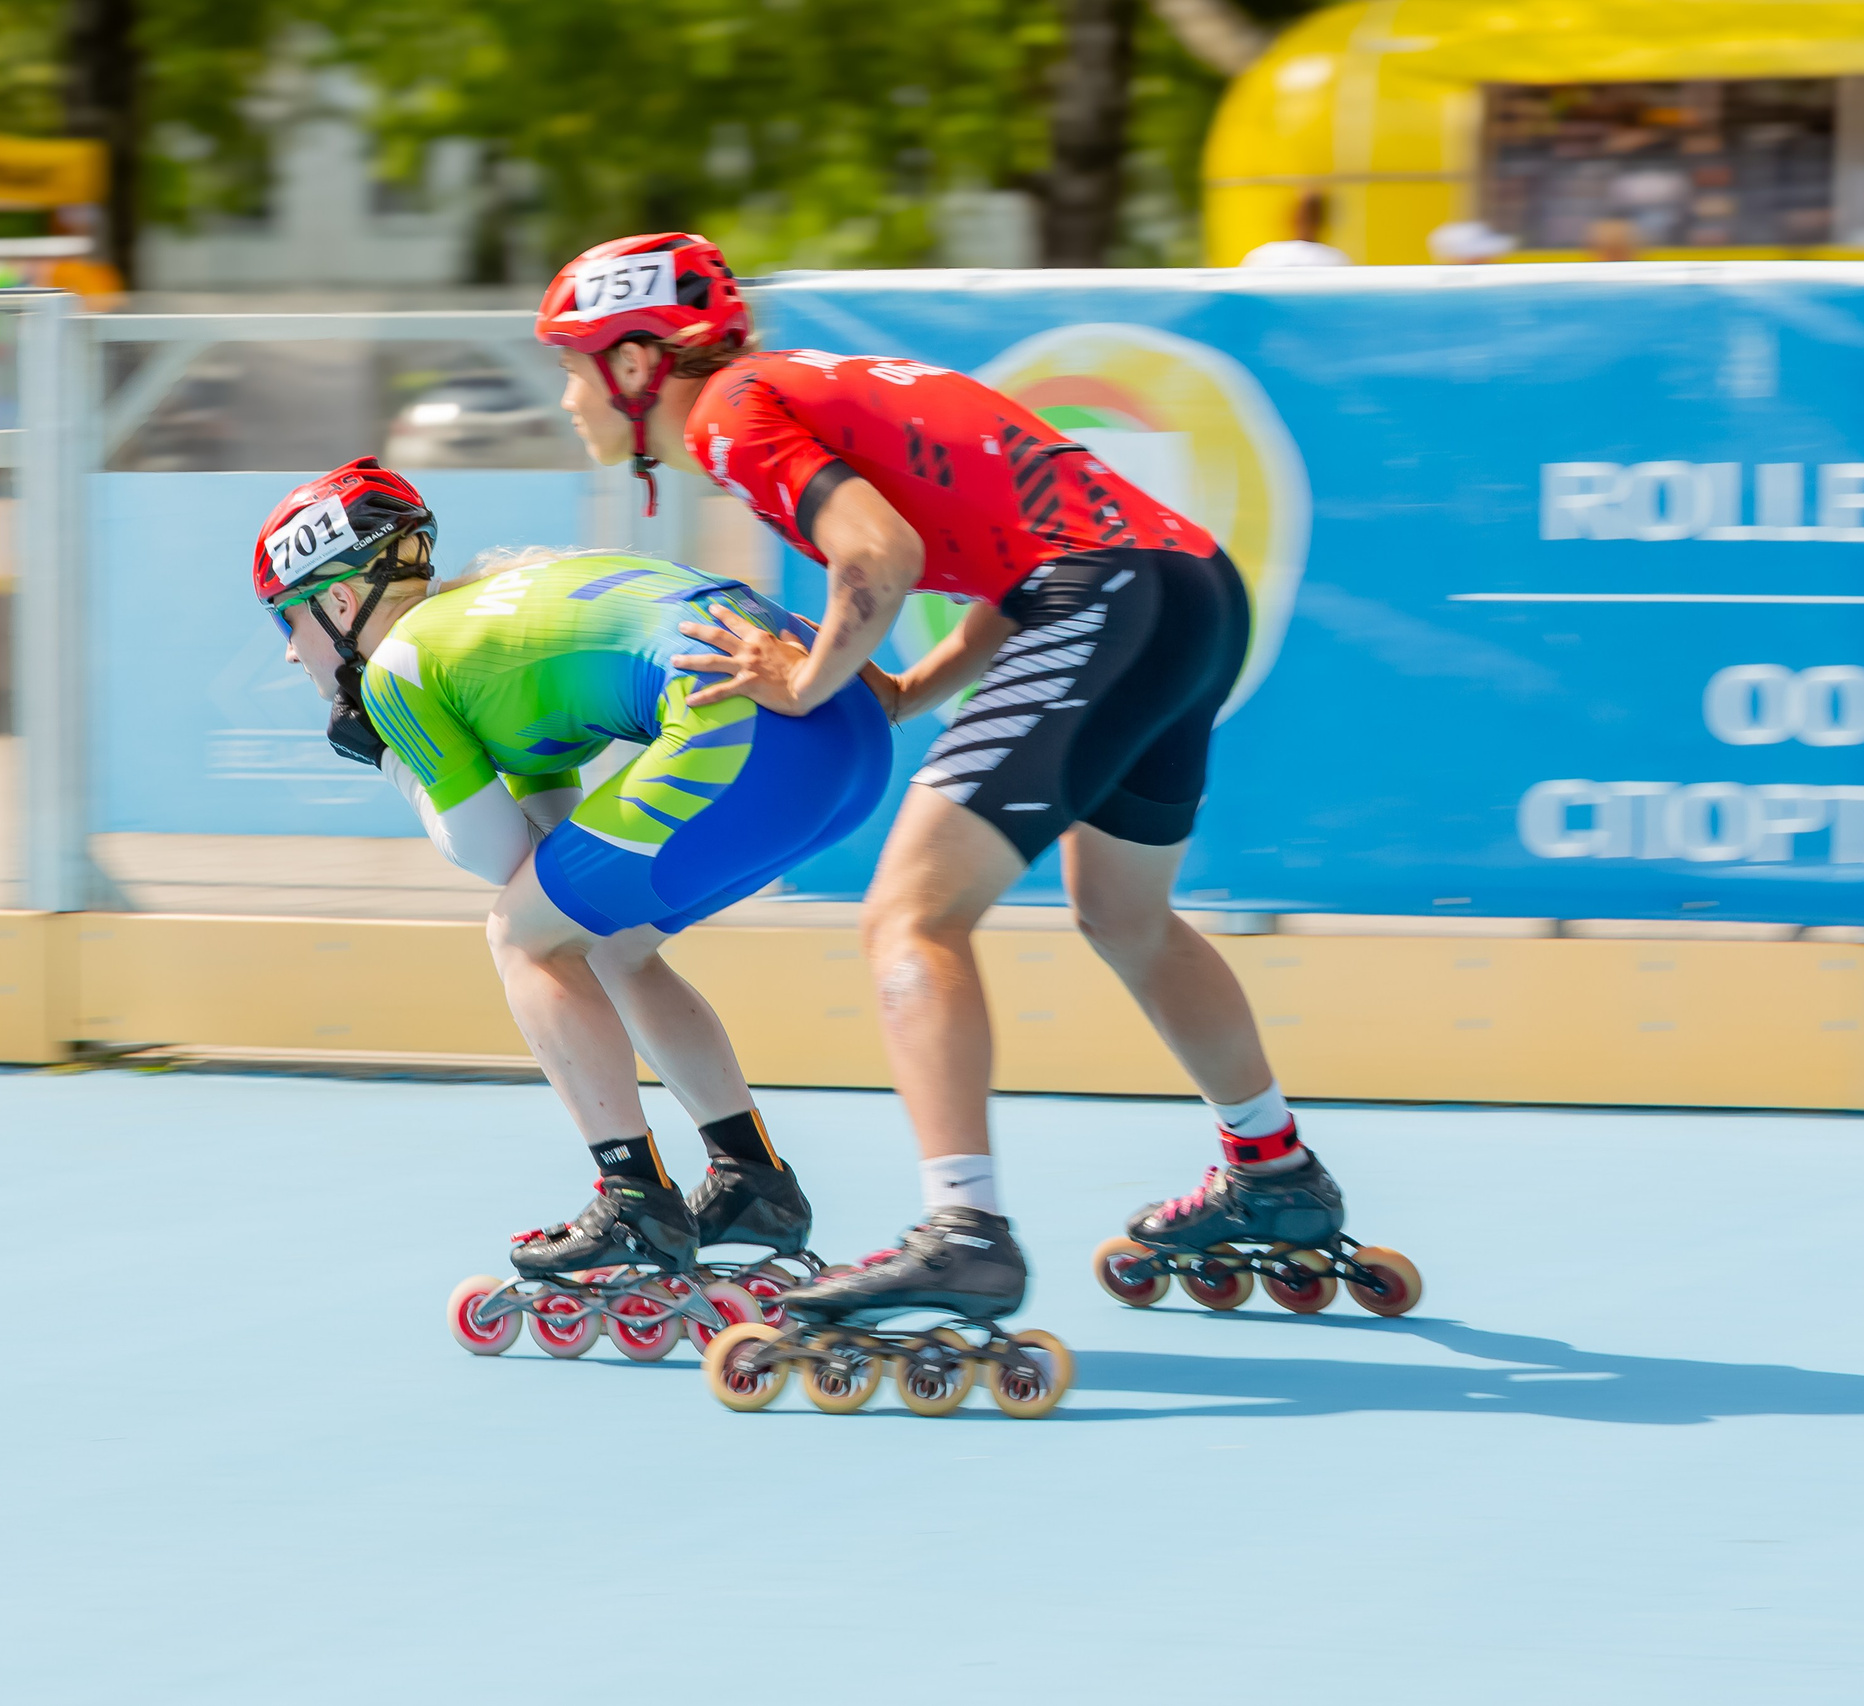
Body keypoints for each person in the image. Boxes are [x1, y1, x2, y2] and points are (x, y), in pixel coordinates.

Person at [534, 232, 1350, 1333]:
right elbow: (1007, 568)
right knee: (1125, 916)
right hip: (1186, 590)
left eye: (571, 364)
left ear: (636, 366)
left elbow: (878, 553)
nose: (565, 395)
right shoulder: (800, 383)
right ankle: (1272, 1164)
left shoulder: (729, 409)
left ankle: (964, 1228)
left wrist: (805, 679)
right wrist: (905, 691)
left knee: (910, 916)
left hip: (1105, 594)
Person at [253, 456, 891, 1325]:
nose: (291, 649)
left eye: (287, 617)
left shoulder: (400, 664)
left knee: (518, 936)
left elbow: (492, 855)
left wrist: (392, 759)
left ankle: (633, 1199)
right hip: (847, 731)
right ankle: (753, 1181)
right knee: (603, 938)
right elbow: (547, 858)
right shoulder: (487, 625)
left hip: (752, 731)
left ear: (337, 600)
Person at [1240, 189, 1351, 268]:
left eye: (1312, 216)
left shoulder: (1335, 259)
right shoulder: (1264, 255)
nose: (1306, 222)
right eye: (1303, 215)